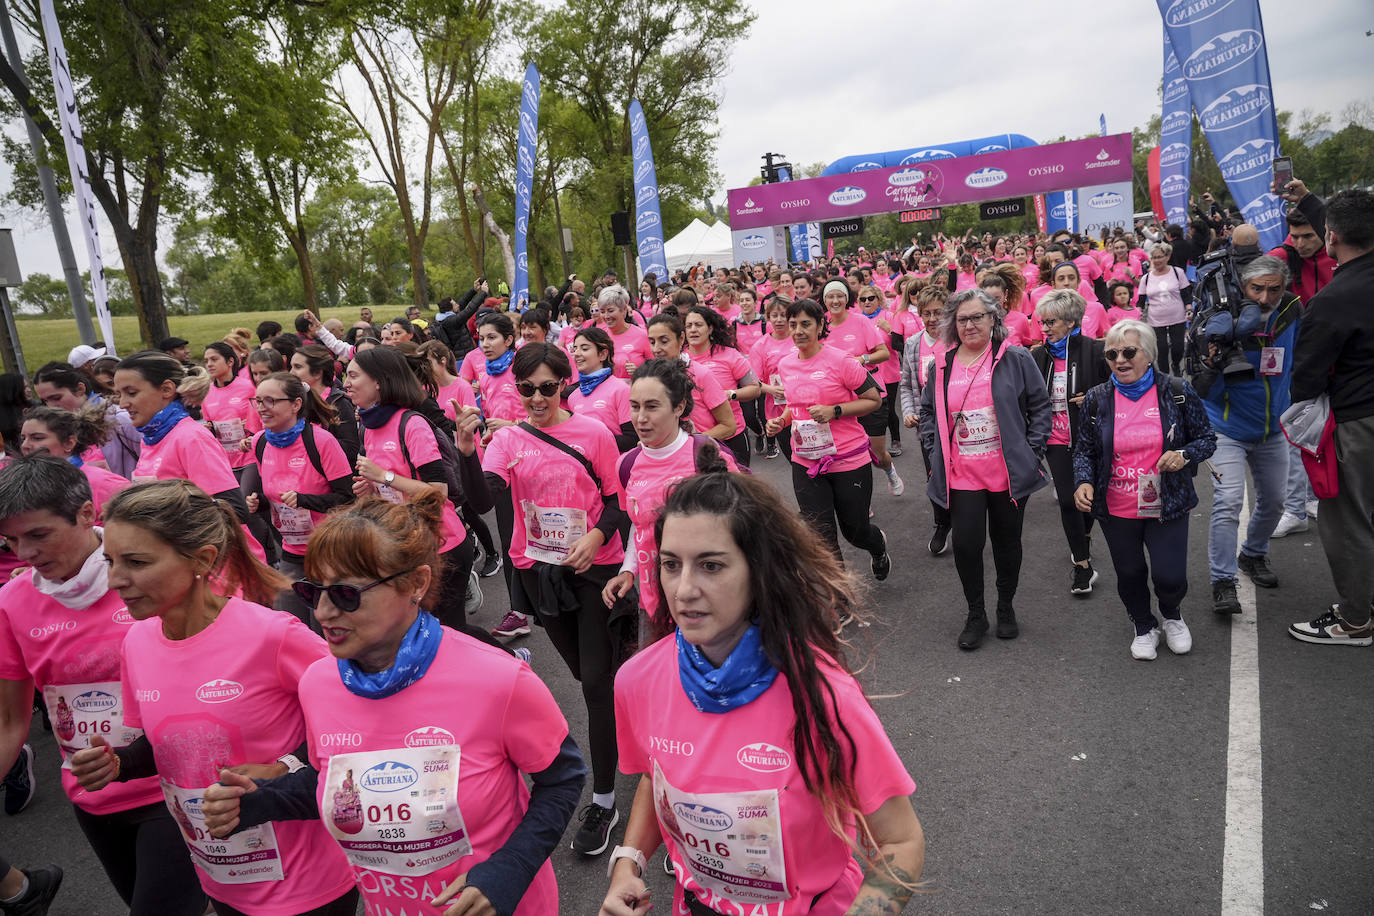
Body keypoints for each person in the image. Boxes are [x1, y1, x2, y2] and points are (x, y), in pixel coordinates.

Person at [198, 491, 586, 916]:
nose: (324, 612)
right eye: (314, 592)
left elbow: (563, 779)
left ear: (416, 584)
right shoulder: (318, 683)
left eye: (346, 594)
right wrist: (261, 800)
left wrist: (510, 870)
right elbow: (340, 784)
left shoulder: (499, 679)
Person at [598, 472, 924, 916]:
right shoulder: (637, 680)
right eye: (671, 564)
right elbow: (657, 777)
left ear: (758, 569)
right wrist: (628, 863)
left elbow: (901, 841)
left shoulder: (821, 693)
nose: (684, 589)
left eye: (711, 565)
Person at [72, 480, 358, 915]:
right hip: (219, 875)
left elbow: (356, 724)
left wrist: (285, 766)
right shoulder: (137, 643)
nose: (115, 580)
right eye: (109, 560)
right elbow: (170, 742)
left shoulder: (273, 636)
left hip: (306, 879)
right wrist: (120, 763)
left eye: (136, 561)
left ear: (202, 560)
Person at [0, 458, 206, 915]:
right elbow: (11, 719)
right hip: (93, 792)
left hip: (174, 787)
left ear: (86, 515)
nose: (25, 553)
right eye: (11, 540)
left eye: (38, 535)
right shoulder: (14, 601)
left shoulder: (148, 577)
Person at [456, 342, 630, 857]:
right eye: (526, 388)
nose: (536, 398)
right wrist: (466, 453)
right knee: (586, 674)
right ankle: (632, 701)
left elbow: (618, 502)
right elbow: (483, 500)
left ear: (564, 385)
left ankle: (603, 799)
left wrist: (597, 538)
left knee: (595, 685)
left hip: (593, 570)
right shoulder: (507, 439)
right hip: (538, 573)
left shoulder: (594, 433)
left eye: (547, 388)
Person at [1073, 320, 1216, 659]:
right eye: (1112, 353)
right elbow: (1084, 450)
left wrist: (1183, 455)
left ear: (1149, 354)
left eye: (1128, 352)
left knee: (1170, 575)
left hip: (1168, 501)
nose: (1119, 360)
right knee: (1131, 573)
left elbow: (1207, 439)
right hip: (1116, 504)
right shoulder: (1096, 399)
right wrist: (1083, 480)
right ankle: (1142, 624)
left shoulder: (1177, 390)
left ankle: (1172, 615)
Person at [919, 289, 1051, 649]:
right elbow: (928, 412)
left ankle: (1005, 606)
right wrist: (934, 451)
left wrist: (1032, 450)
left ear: (993, 319)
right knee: (966, 544)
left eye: (978, 317)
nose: (970, 324)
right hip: (962, 474)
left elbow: (1041, 405)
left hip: (1007, 473)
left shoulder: (1016, 357)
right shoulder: (941, 364)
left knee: (1007, 543)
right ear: (953, 324)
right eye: (962, 319)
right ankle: (976, 613)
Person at [1190, 255, 1301, 614]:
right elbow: (1199, 384)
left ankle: (1252, 554)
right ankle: (1222, 581)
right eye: (1257, 289)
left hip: (1272, 428)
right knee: (1227, 502)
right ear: (1243, 286)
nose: (1265, 298)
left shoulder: (1292, 312)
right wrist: (1213, 356)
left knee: (1275, 502)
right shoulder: (1221, 319)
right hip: (1226, 429)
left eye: (1274, 289)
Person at [1287, 189, 1374, 645]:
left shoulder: (1333, 298)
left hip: (1358, 421)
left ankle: (1356, 620)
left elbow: (1306, 379)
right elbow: (1352, 224)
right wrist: (1314, 200)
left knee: (1348, 522)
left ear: (1331, 237)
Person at [600, 359, 737, 628]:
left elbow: (746, 527)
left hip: (710, 604)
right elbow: (639, 526)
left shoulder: (707, 456)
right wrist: (628, 569)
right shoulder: (625, 464)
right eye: (635, 406)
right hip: (654, 606)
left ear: (679, 407)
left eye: (652, 406)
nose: (640, 418)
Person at [346, 346, 474, 628]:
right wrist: (370, 490)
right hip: (403, 543)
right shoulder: (367, 427)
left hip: (442, 544)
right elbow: (387, 490)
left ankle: (511, 658)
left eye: (353, 376)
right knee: (422, 627)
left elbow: (438, 491)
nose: (346, 384)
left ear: (378, 381)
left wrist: (383, 477)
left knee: (448, 630)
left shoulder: (412, 423)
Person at [765, 299, 892, 581]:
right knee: (821, 535)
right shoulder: (786, 364)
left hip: (847, 459)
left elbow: (873, 399)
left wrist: (835, 411)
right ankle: (840, 598)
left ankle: (877, 545)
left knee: (855, 531)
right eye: (793, 324)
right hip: (806, 460)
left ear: (821, 325)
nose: (798, 330)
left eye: (805, 324)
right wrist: (781, 421)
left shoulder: (842, 361)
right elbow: (795, 406)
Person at [111, 351, 263, 558]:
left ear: (166, 389)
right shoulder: (151, 437)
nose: (122, 403)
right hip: (179, 564)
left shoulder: (190, 437)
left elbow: (234, 511)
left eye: (131, 393)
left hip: (219, 571)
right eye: (119, 394)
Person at [243, 372, 353, 626]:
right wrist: (260, 503)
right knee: (288, 625)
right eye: (257, 401)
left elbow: (347, 500)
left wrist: (306, 501)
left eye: (270, 401)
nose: (261, 408)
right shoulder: (260, 442)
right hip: (291, 552)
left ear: (295, 404)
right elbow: (275, 498)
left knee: (323, 630)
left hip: (329, 553)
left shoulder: (321, 441)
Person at [1032, 290, 1109, 595]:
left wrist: (1093, 396)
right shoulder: (1038, 355)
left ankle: (1085, 534)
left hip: (1089, 439)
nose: (1045, 327)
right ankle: (1083, 565)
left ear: (1071, 321)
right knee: (1067, 500)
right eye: (1042, 322)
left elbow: (1117, 386)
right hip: (1054, 438)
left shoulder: (1095, 350)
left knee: (1089, 499)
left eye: (1051, 321)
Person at [817, 280, 904, 496]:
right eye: (831, 297)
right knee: (847, 454)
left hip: (869, 392)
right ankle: (860, 501)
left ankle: (889, 469)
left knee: (877, 454)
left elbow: (883, 353)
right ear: (824, 300)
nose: (835, 301)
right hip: (838, 398)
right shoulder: (820, 325)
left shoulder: (861, 322)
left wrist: (861, 359)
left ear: (847, 299)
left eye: (840, 296)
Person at [900, 285, 954, 555]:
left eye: (938, 312)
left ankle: (967, 520)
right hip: (928, 424)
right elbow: (908, 386)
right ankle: (942, 523)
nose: (932, 318)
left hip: (959, 420)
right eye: (926, 313)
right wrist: (909, 411)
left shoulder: (958, 338)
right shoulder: (913, 343)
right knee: (935, 474)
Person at [18, 405, 130, 520]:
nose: (25, 446)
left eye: (37, 438)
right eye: (23, 439)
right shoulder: (21, 483)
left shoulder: (106, 484)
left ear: (69, 443)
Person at [32, 362, 141, 478]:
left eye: (56, 398)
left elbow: (151, 465)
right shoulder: (60, 427)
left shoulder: (120, 419)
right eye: (45, 401)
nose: (51, 407)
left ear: (80, 389)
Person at [683, 306, 760, 467]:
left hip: (732, 435)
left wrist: (731, 394)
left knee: (738, 489)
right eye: (689, 326)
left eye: (698, 325)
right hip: (695, 440)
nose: (693, 330)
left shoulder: (729, 354)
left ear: (710, 328)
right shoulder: (680, 359)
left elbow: (755, 388)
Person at [645, 314, 737, 443]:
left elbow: (729, 426)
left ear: (681, 339)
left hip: (702, 456)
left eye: (664, 341)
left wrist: (690, 444)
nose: (656, 349)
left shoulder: (700, 374)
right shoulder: (649, 377)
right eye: (652, 342)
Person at [289, 344, 359, 467]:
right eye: (291, 367)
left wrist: (313, 439)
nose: (291, 373)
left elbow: (350, 449)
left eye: (297, 367)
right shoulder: (295, 402)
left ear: (317, 373)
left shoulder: (338, 403)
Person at [569, 327, 636, 450]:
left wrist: (592, 438)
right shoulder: (573, 397)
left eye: (584, 348)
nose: (577, 353)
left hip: (613, 465)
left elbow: (632, 440)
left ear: (603, 354)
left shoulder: (621, 390)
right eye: (575, 349)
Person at [750, 295, 796, 460]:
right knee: (793, 458)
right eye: (774, 316)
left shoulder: (800, 337)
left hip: (805, 406)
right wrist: (772, 389)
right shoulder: (760, 346)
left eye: (784, 315)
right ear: (768, 317)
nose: (779, 320)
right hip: (777, 409)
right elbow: (753, 381)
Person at [1137, 243, 1192, 375]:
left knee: (1178, 347)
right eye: (1154, 257)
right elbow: (1141, 300)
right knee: (1161, 349)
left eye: (1160, 257)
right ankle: (1165, 377)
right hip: (1156, 319)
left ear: (1167, 257)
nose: (1157, 260)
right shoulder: (1146, 278)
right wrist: (1137, 313)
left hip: (1177, 317)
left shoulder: (1177, 272)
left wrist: (1189, 309)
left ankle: (1176, 364)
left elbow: (1186, 294)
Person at [597, 286, 654, 379]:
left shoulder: (642, 335)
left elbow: (655, 368)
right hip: (608, 392)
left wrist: (640, 372)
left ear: (624, 310)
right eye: (602, 311)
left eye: (610, 311)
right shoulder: (600, 336)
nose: (606, 316)